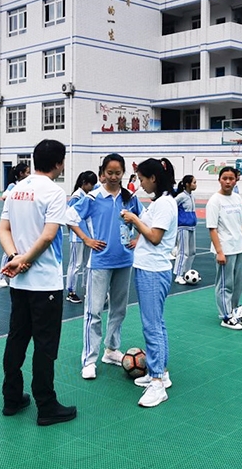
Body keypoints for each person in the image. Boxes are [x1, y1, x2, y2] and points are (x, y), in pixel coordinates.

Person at [0, 139, 77, 426]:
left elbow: (3, 228)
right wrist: (23, 259)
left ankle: (12, 398)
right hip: (44, 283)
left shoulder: (17, 189)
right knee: (45, 345)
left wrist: (14, 257)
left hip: (19, 284)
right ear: (59, 163)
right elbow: (48, 236)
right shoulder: (55, 192)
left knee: (16, 338)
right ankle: (46, 405)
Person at [67, 154, 143, 380]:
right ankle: (89, 360)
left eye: (117, 172)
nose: (113, 176)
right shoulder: (93, 197)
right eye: (109, 172)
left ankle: (111, 350)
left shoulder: (130, 198)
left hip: (124, 261)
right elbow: (69, 217)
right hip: (100, 262)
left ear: (122, 173)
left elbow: (145, 219)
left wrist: (138, 238)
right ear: (102, 173)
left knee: (119, 309)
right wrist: (87, 240)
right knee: (94, 311)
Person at [119, 158, 178, 408]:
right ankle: (160, 373)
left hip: (154, 270)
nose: (140, 184)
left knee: (152, 326)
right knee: (157, 323)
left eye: (142, 179)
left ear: (153, 178)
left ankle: (156, 383)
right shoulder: (159, 202)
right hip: (149, 268)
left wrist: (134, 219)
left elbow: (154, 237)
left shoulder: (165, 203)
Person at [207, 166, 242, 329]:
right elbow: (212, 228)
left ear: (236, 180)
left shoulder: (237, 198)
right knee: (225, 284)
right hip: (225, 249)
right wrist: (219, 252)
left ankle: (233, 309)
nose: (227, 181)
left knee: (240, 281)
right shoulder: (214, 201)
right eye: (224, 178)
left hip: (239, 247)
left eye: (231, 178)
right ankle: (225, 316)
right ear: (219, 179)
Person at [65, 171, 98, 304]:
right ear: (84, 183)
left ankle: (87, 289)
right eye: (91, 184)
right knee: (75, 264)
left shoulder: (87, 195)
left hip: (87, 237)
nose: (93, 187)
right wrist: (73, 234)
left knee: (87, 265)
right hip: (77, 237)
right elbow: (69, 217)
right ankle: (71, 291)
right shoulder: (76, 196)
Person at [0, 163, 31, 287]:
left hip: (23, 221)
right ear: (21, 174)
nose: (29, 174)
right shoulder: (14, 186)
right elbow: (4, 196)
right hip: (13, 221)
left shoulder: (29, 186)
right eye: (27, 172)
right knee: (8, 250)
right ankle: (1, 276)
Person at [173, 175, 198, 285]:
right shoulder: (181, 196)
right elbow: (172, 207)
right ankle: (178, 275)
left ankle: (187, 273)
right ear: (187, 184)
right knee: (183, 252)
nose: (195, 184)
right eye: (194, 182)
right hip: (182, 227)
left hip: (192, 226)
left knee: (192, 252)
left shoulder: (192, 196)